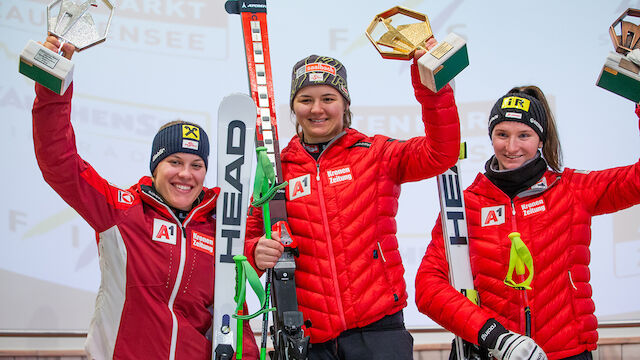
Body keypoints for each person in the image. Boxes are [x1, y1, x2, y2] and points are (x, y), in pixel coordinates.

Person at [32, 35, 258, 359]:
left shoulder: (218, 226)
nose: (186, 174)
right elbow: (59, 163)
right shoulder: (121, 212)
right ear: (155, 166)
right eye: (175, 162)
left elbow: (232, 313)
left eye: (197, 165)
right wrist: (53, 88)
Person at [244, 49, 462, 359]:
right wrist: (255, 250)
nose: (317, 109)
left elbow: (441, 153)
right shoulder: (277, 171)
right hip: (309, 341)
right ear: (293, 107)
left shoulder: (376, 154)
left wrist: (430, 81)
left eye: (328, 98)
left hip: (378, 332)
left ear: (345, 103)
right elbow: (243, 243)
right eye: (305, 100)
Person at [415, 85, 640, 360]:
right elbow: (428, 287)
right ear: (490, 136)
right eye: (502, 135)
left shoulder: (572, 190)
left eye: (524, 135)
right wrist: (495, 337)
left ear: (541, 139)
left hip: (566, 352)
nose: (511, 147)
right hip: (495, 353)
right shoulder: (467, 204)